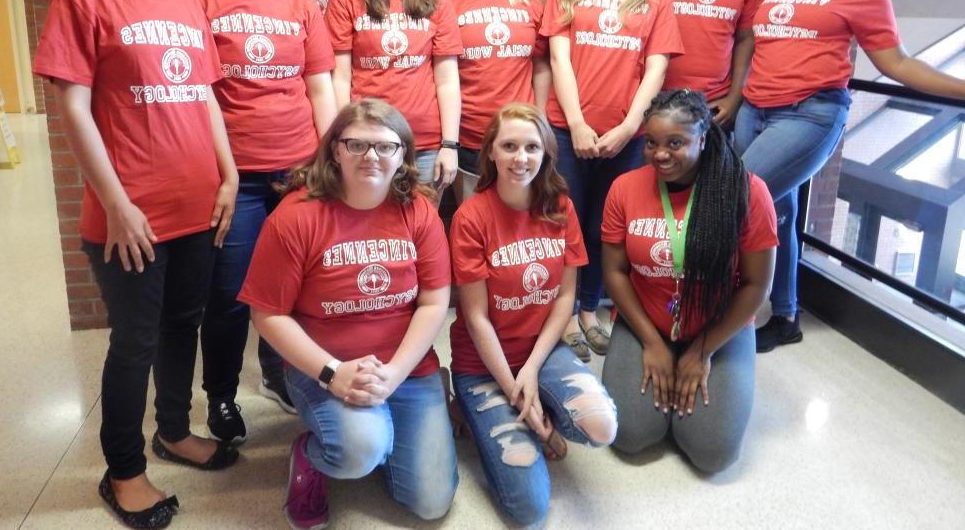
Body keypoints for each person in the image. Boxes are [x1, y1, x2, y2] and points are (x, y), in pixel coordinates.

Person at [32, 0, 239, 529]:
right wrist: (116, 203)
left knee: (185, 324)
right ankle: (122, 472)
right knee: (135, 341)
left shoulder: (183, 1)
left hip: (198, 204)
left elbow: (205, 95)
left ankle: (173, 430)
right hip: (132, 217)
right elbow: (75, 109)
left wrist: (230, 172)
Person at [735, 0, 965, 352]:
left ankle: (715, 318)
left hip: (811, 114)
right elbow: (754, 44)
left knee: (736, 201)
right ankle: (785, 316)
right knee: (779, 215)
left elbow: (897, 64)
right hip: (753, 111)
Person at [238, 99, 458, 529]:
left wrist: (392, 375)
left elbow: (434, 301)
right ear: (335, 149)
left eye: (384, 147)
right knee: (359, 449)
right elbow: (267, 314)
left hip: (406, 370)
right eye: (356, 145)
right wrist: (332, 373)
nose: (371, 157)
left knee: (430, 503)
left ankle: (399, 420)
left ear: (403, 156)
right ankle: (312, 455)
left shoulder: (418, 211)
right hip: (325, 369)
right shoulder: (296, 216)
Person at [188, 0, 337, 442]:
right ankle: (221, 397)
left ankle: (280, 374)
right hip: (237, 179)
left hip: (299, 172)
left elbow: (320, 88)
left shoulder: (300, 4)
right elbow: (197, 94)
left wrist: (330, 164)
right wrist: (222, 173)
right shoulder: (198, 0)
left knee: (296, 291)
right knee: (228, 296)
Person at [450, 103, 616, 525]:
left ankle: (538, 401)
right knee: (528, 508)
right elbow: (476, 319)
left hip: (540, 353)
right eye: (509, 146)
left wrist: (531, 372)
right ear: (490, 152)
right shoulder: (471, 216)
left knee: (602, 426)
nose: (520, 158)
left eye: (531, 147)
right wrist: (515, 389)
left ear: (545, 154)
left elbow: (565, 299)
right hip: (484, 365)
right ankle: (469, 406)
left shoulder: (560, 207)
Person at [601, 89, 777, 472]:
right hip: (645, 322)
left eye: (675, 143)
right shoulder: (625, 189)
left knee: (712, 453)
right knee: (631, 435)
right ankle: (663, 383)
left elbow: (756, 285)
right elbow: (614, 272)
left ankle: (698, 382)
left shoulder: (747, 191)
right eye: (651, 143)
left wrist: (701, 351)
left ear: (703, 136)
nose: (660, 155)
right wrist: (651, 342)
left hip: (718, 325)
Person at [541, 0, 682, 361]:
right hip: (568, 129)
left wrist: (627, 127)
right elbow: (559, 61)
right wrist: (577, 124)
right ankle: (560, 315)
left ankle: (588, 310)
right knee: (567, 224)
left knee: (608, 228)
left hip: (626, 137)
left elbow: (657, 69)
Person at [326, 0, 462, 192]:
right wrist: (344, 139)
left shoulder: (436, 0)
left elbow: (447, 80)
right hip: (367, 145)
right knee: (372, 230)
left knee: (420, 233)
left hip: (424, 145)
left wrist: (450, 144)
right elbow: (340, 78)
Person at [446, 0, 551, 200]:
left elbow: (541, 65)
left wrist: (539, 119)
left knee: (518, 223)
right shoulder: (446, 2)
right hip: (470, 137)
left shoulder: (530, 4)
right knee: (473, 221)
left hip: (521, 139)